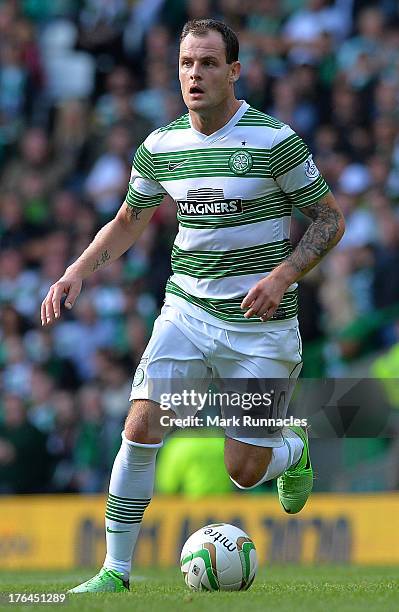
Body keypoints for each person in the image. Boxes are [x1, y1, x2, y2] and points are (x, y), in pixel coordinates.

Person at [41, 19, 345, 593]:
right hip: (186, 311)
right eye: (186, 64)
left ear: (234, 70)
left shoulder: (273, 141)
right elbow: (130, 220)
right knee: (140, 424)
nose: (195, 75)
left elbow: (330, 219)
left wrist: (281, 277)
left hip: (261, 326)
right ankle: (115, 572)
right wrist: (77, 270)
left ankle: (294, 450)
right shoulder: (161, 146)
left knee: (243, 471)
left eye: (208, 63)